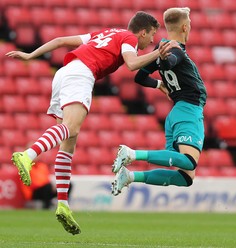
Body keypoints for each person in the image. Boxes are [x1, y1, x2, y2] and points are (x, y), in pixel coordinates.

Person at [6, 11, 175, 235]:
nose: (152, 40)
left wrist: (30, 55)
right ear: (142, 31)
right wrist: (157, 55)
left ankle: (63, 204)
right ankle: (28, 155)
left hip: (64, 73)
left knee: (69, 142)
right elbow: (132, 64)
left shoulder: (105, 33)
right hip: (81, 74)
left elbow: (60, 41)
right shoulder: (129, 38)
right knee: (72, 127)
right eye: (152, 35)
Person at [111, 7, 207, 196]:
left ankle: (130, 177)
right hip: (188, 110)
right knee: (189, 161)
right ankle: (132, 154)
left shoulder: (160, 48)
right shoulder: (174, 49)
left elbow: (140, 78)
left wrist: (158, 84)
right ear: (186, 27)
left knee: (186, 177)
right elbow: (171, 61)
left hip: (176, 114)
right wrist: (164, 60)